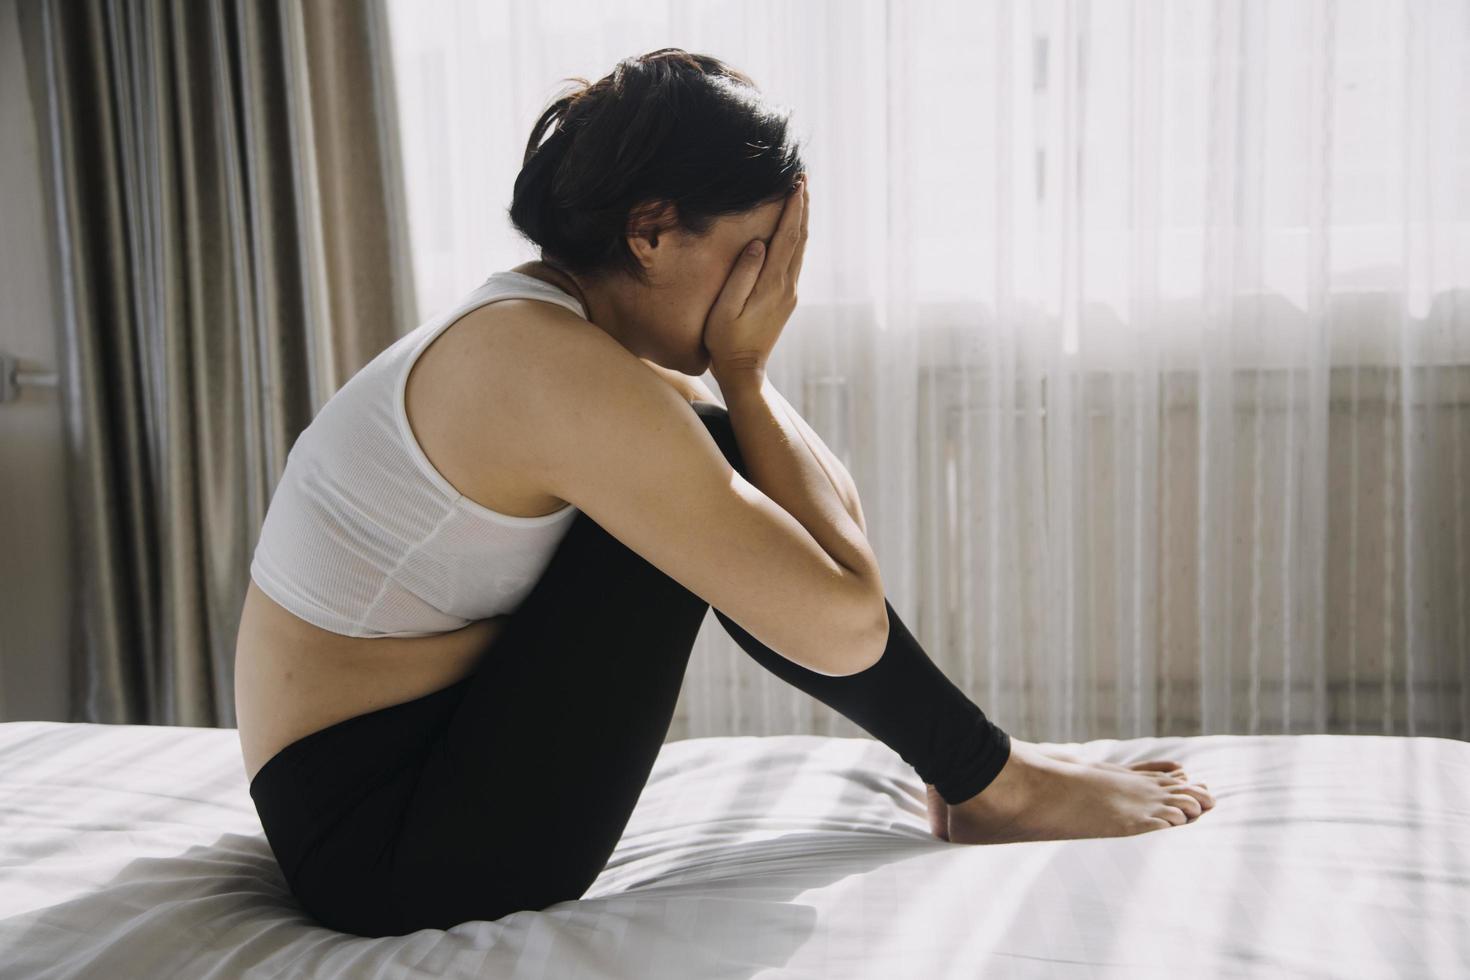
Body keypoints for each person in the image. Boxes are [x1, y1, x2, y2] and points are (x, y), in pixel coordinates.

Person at [235, 48, 1213, 938]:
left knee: (706, 473)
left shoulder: (553, 328)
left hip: (394, 780)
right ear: (652, 231)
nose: (769, 288)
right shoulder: (540, 365)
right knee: (698, 480)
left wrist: (745, 370)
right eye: (756, 256)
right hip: (388, 851)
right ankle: (986, 775)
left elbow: (829, 551)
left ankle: (982, 772)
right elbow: (842, 620)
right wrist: (738, 377)